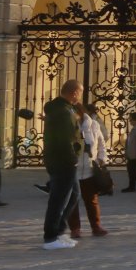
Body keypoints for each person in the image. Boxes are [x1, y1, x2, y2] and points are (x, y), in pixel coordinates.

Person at [40, 80, 84, 250]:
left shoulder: (61, 108)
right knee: (59, 199)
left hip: (59, 158)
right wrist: (72, 158)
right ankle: (51, 236)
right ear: (74, 92)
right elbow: (66, 139)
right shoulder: (64, 112)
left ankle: (59, 230)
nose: (80, 96)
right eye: (80, 92)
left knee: (74, 195)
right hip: (63, 160)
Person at [66, 103, 109, 238]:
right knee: (72, 200)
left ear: (80, 112)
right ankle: (75, 228)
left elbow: (101, 144)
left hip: (89, 169)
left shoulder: (93, 125)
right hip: (72, 170)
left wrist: (101, 159)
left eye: (73, 113)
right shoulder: (67, 127)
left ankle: (96, 226)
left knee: (91, 200)